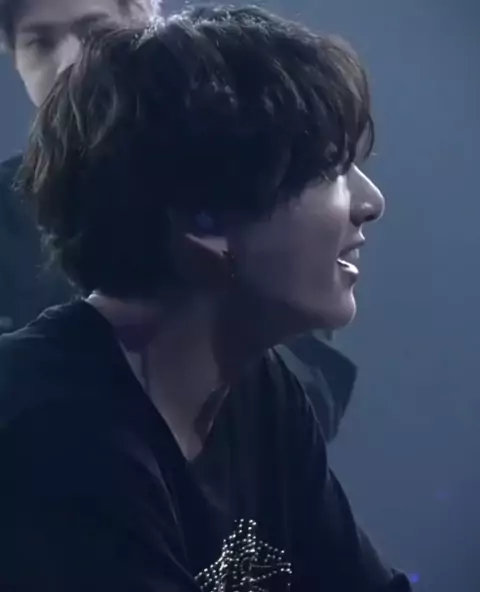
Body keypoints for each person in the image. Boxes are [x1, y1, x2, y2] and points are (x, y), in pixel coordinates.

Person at [0, 7, 411, 591]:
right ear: (204, 219)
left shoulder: (260, 389)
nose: (371, 203)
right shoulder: (49, 434)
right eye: (330, 169)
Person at [0, 0, 356, 442]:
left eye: (95, 33)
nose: (69, 62)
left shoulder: (257, 175)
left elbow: (310, 387)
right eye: (40, 43)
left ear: (151, 21)